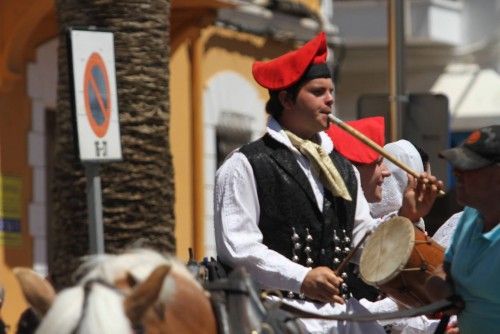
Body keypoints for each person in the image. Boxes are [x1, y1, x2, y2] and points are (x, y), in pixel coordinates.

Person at [214, 32, 440, 333]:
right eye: (318, 91)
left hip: (341, 316)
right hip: (275, 314)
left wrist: (408, 218)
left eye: (331, 91)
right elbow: (238, 247)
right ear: (286, 99)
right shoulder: (246, 164)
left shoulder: (340, 167)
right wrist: (302, 278)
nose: (330, 99)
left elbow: (362, 237)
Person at [428, 125, 500, 334]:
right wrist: (443, 290)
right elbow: (444, 270)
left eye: (469, 166)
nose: (456, 172)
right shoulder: (470, 214)